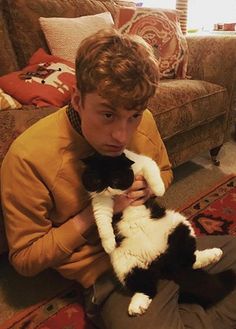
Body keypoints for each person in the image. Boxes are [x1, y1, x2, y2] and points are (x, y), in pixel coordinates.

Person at [1, 29, 236, 329]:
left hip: (160, 242)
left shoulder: (145, 121)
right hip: (111, 272)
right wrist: (92, 216)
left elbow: (165, 171)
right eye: (108, 115)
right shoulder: (28, 156)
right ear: (77, 99)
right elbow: (25, 258)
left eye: (134, 116)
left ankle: (183, 307)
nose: (122, 136)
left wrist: (148, 189)